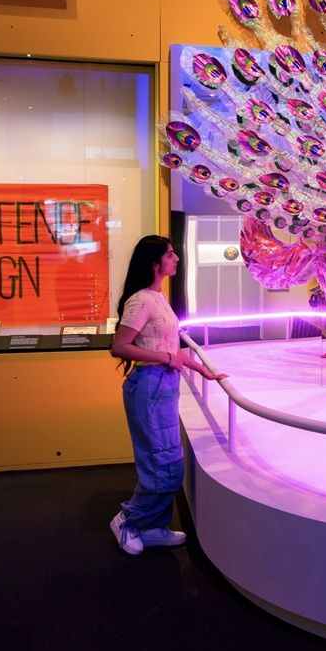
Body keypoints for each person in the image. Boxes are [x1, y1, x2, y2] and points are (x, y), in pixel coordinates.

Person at [108, 235, 225, 556]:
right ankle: (128, 521)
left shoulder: (159, 298)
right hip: (147, 387)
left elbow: (170, 348)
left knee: (171, 462)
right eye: (170, 255)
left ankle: (154, 526)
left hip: (164, 387)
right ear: (155, 263)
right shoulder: (141, 300)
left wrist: (204, 371)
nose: (176, 259)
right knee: (158, 464)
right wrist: (168, 360)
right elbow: (120, 346)